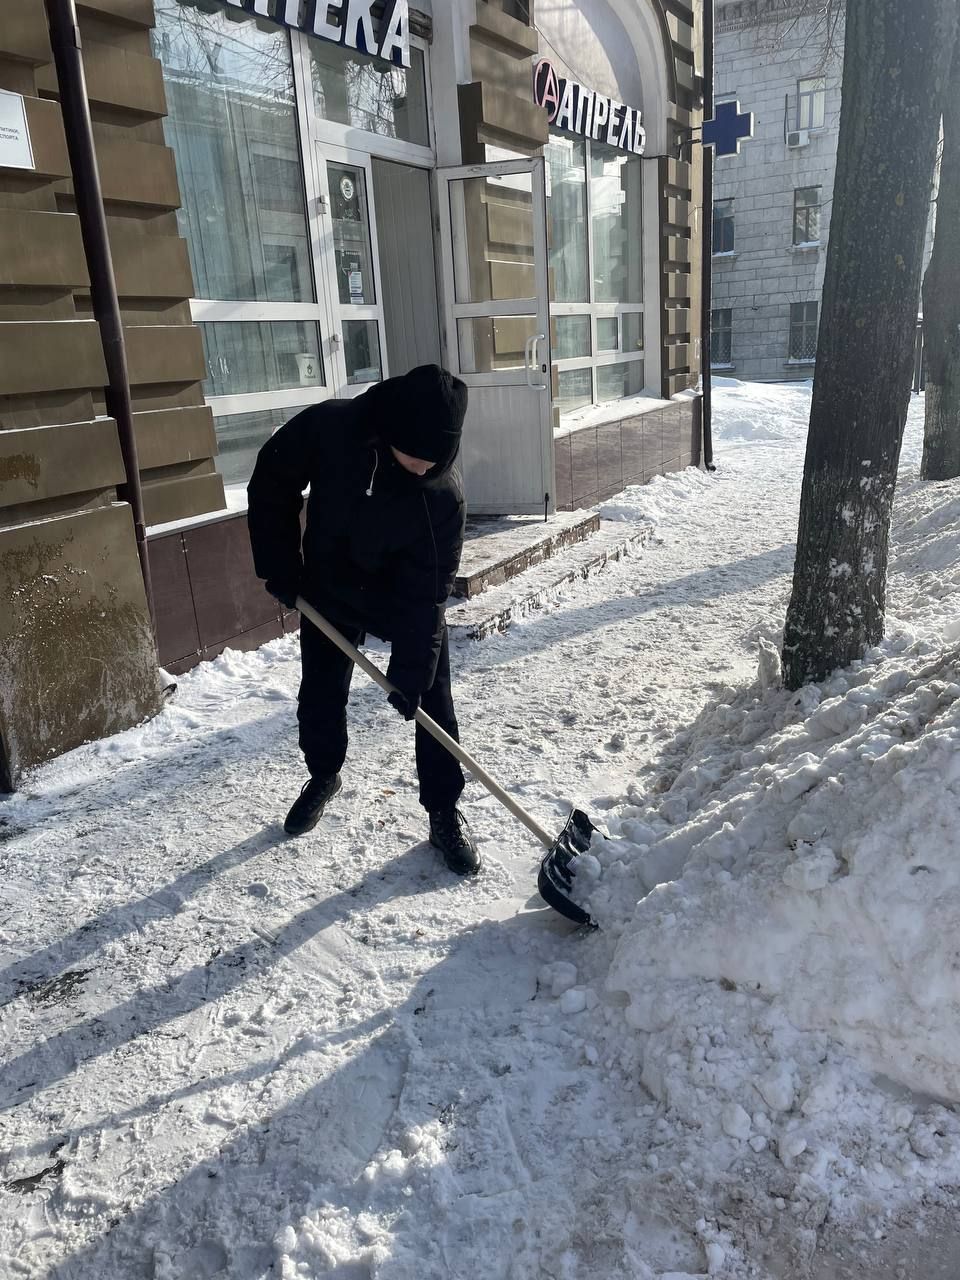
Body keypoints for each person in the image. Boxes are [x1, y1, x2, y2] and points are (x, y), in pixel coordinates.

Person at [246, 364, 480, 875]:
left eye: (435, 461)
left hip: (400, 597)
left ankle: (443, 808)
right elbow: (272, 479)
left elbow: (427, 595)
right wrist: (282, 565)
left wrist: (410, 669)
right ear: (390, 431)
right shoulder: (334, 428)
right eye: (415, 457)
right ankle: (324, 774)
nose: (423, 469)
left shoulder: (443, 496)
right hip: (329, 585)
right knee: (322, 691)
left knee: (431, 695)